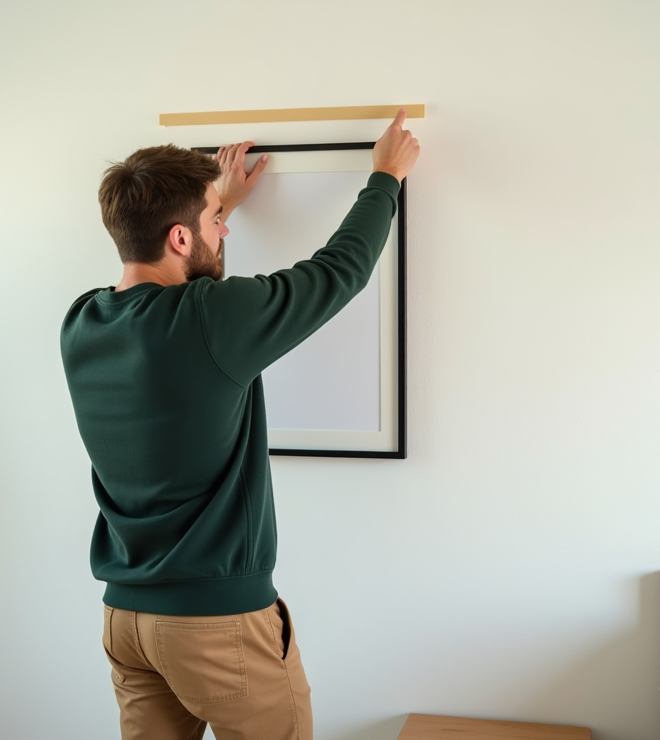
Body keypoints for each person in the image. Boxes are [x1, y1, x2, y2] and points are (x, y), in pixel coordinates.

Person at [60, 111, 420, 740]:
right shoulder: (208, 318)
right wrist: (385, 175)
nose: (222, 229)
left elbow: (178, 290)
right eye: (213, 222)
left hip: (126, 621)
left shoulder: (82, 323)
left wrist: (210, 202)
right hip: (215, 626)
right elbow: (340, 271)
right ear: (178, 237)